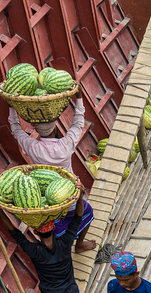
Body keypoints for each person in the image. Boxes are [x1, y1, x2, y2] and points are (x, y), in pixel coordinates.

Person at [8, 97, 97, 252]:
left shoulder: (32, 146)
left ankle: (58, 247)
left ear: (37, 132)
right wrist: (80, 97)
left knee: (52, 224)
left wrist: (12, 107)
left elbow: (16, 130)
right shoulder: (66, 145)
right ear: (55, 129)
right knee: (86, 212)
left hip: (46, 198)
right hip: (68, 195)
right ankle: (80, 245)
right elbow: (78, 123)